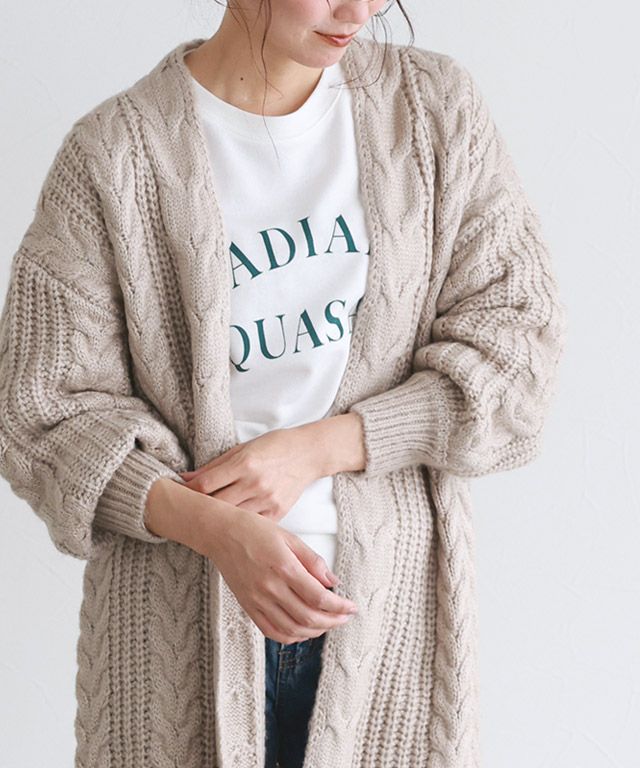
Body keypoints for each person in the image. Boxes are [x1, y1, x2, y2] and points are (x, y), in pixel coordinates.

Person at [0, 1, 567, 767]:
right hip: (176, 643)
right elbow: (42, 411)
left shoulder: (433, 112)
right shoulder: (114, 155)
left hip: (384, 634)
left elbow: (519, 345)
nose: (359, 10)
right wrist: (212, 528)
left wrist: (319, 448)